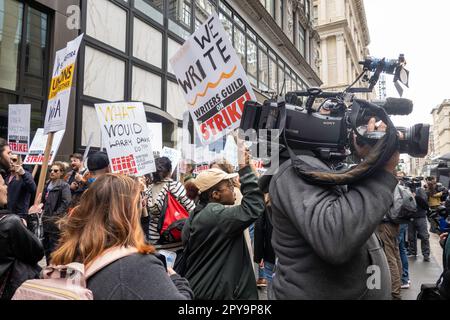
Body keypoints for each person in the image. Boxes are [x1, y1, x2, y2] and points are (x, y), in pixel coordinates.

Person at [262, 118, 399, 300]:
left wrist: (370, 158)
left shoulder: (320, 168)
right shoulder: (296, 171)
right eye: (331, 117)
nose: (343, 126)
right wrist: (382, 171)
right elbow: (336, 238)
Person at [50, 174, 193, 300]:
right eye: (139, 202)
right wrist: (176, 280)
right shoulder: (138, 266)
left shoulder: (67, 253)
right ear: (129, 212)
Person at [181, 148, 265, 300]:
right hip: (217, 293)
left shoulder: (197, 214)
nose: (233, 189)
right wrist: (245, 168)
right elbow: (254, 206)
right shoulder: (216, 215)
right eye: (229, 186)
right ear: (215, 194)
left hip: (201, 288)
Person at [0, 174, 44, 300]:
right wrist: (34, 218)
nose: (6, 187)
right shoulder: (10, 223)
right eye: (3, 184)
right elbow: (36, 252)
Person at [147, 157, 195, 249]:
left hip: (154, 240)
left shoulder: (149, 189)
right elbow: (192, 209)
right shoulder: (175, 186)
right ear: (170, 171)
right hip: (174, 238)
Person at [41, 162, 71, 264]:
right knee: (46, 246)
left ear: (61, 173)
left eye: (55, 171)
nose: (52, 172)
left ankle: (56, 268)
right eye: (51, 170)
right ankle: (49, 266)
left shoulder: (64, 185)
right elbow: (43, 201)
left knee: (55, 246)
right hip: (46, 220)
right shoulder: (47, 184)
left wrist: (56, 216)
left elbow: (66, 202)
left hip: (55, 221)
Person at [5, 154, 36, 219]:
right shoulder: (6, 177)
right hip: (7, 214)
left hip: (19, 216)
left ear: (21, 162)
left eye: (14, 160)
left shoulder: (26, 175)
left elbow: (32, 189)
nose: (11, 162)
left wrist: (23, 174)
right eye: (10, 159)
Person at [409, 183, 431, 261]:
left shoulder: (420, 191)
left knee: (424, 237)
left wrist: (416, 197)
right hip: (411, 218)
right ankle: (413, 252)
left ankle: (426, 255)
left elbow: (425, 205)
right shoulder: (406, 190)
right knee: (411, 237)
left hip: (420, 217)